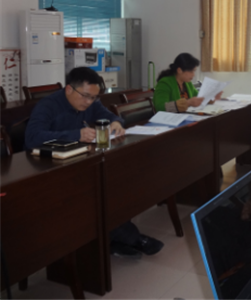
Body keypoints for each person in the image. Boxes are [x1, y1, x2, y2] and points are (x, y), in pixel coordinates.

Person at [25, 67, 163, 259]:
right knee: (97, 193)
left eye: (93, 98)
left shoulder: (89, 102)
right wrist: (76, 135)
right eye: (85, 96)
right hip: (48, 170)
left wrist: (116, 122)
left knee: (118, 182)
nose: (89, 102)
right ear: (69, 89)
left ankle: (115, 238)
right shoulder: (48, 106)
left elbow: (108, 115)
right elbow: (32, 138)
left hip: (77, 162)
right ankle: (131, 239)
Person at [153, 53, 221, 112]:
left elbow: (198, 97)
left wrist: (211, 96)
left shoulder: (187, 83)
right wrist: (187, 103)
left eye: (194, 71)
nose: (193, 74)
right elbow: (160, 107)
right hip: (170, 120)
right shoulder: (164, 83)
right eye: (191, 71)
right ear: (179, 70)